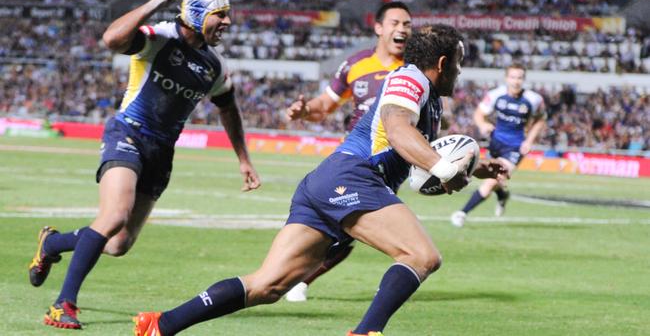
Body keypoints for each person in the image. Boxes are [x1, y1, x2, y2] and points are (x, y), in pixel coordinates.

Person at [133, 24, 508, 336]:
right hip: (354, 177)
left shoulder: (428, 97)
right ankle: (365, 333)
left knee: (267, 285)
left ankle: (161, 324)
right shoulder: (410, 78)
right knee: (421, 256)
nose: (461, 72)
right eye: (459, 63)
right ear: (443, 62)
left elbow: (416, 145)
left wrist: (474, 167)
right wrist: (443, 169)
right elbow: (396, 128)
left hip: (329, 182)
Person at [27, 0, 261, 329]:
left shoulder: (214, 66)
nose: (227, 22)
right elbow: (112, 39)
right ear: (196, 14)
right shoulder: (160, 37)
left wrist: (243, 158)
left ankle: (53, 243)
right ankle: (63, 304)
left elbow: (228, 108)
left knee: (119, 244)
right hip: (128, 134)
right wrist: (156, 1)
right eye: (220, 14)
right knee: (114, 217)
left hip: (161, 152)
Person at [283, 1, 412, 302]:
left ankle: (294, 279)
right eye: (396, 23)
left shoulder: (412, 70)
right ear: (379, 28)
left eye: (407, 24)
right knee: (346, 227)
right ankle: (295, 280)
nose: (403, 29)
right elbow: (324, 105)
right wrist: (304, 111)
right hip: (355, 159)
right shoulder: (356, 64)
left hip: (392, 163)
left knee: (348, 229)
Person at [450, 63, 545, 227]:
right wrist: (483, 125)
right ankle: (502, 195)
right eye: (513, 77)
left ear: (524, 79)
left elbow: (541, 119)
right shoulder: (496, 95)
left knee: (491, 181)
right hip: (496, 143)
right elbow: (479, 114)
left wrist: (529, 140)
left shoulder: (533, 99)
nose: (516, 81)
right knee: (494, 179)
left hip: (516, 147)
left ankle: (462, 213)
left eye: (520, 78)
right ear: (507, 78)